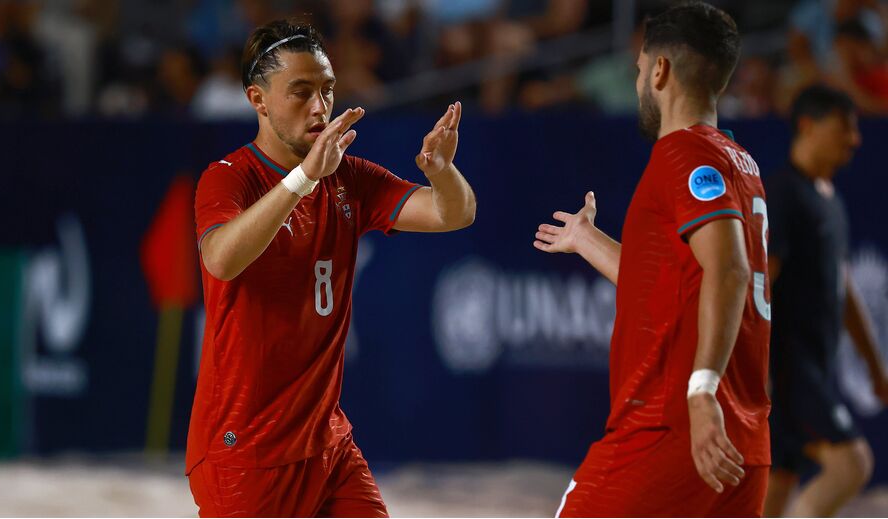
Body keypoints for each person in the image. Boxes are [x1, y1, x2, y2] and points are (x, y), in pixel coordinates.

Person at [185, 20, 476, 517]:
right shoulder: (228, 178)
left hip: (328, 443)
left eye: (328, 90)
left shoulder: (349, 179)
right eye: (301, 92)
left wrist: (442, 172)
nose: (320, 107)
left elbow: (455, 213)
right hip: (245, 451)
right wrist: (302, 179)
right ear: (258, 99)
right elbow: (220, 259)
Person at [534, 2, 771, 516]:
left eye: (639, 68)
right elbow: (675, 284)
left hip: (671, 431)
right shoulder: (739, 161)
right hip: (740, 446)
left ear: (660, 70)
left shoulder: (684, 155)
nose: (638, 78)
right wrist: (587, 239)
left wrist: (702, 391)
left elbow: (729, 270)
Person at [762, 84, 888, 517]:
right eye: (845, 128)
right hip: (788, 370)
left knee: (775, 488)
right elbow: (759, 283)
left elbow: (843, 287)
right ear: (807, 126)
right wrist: (748, 366)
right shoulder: (782, 194)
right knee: (852, 465)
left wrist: (875, 366)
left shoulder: (830, 200)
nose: (855, 139)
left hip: (816, 367)